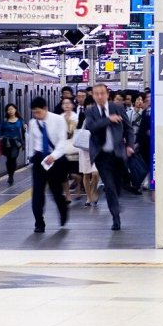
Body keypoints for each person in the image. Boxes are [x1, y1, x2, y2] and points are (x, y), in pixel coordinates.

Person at [84, 84, 135, 231]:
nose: (99, 96)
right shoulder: (90, 111)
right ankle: (116, 217)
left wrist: (130, 145)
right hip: (102, 156)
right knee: (109, 186)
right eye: (96, 94)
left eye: (102, 93)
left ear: (107, 94)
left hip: (118, 154)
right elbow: (92, 127)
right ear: (93, 96)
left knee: (117, 186)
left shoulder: (118, 108)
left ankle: (116, 203)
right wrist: (108, 119)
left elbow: (129, 128)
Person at [27, 97, 69, 233]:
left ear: (45, 109)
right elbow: (31, 142)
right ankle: (39, 223)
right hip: (39, 161)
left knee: (56, 192)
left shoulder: (58, 120)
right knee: (37, 194)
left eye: (38, 112)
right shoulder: (33, 123)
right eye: (34, 113)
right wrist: (30, 158)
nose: (36, 116)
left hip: (55, 161)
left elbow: (62, 142)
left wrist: (54, 156)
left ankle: (63, 211)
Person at [78, 95, 99, 207]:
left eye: (92, 105)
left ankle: (93, 190)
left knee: (95, 173)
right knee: (86, 174)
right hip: (84, 148)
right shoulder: (82, 116)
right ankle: (88, 197)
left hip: (96, 148)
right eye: (88, 105)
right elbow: (78, 130)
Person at [60, 98, 83, 203]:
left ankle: (78, 188)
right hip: (63, 149)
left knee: (76, 174)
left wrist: (70, 124)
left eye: (68, 103)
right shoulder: (59, 118)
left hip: (75, 148)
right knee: (64, 174)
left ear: (72, 105)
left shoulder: (76, 117)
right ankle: (68, 195)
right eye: (64, 103)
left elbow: (75, 132)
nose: (67, 105)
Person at [0, 103, 24, 186]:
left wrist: (24, 143)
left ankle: (11, 174)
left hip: (16, 143)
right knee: (9, 159)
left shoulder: (20, 120)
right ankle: (10, 176)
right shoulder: (4, 121)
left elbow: (23, 133)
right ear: (7, 111)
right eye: (9, 109)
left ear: (15, 110)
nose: (10, 111)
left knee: (13, 158)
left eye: (12, 109)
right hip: (7, 142)